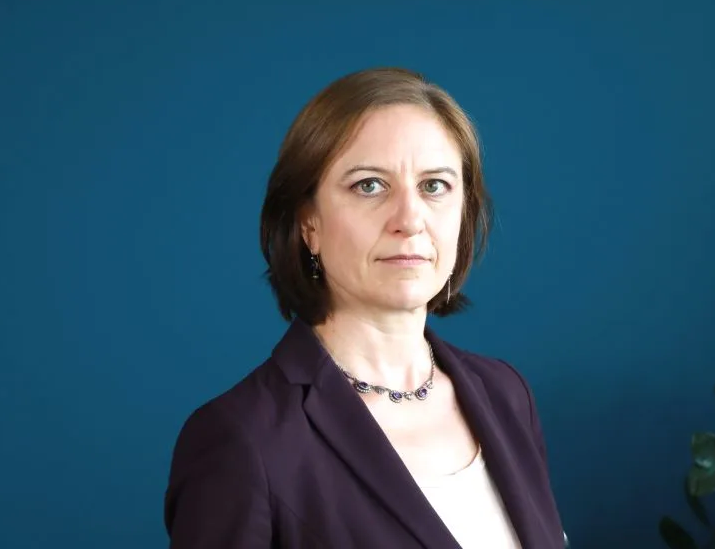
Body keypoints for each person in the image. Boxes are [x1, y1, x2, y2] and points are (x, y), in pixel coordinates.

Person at [163, 67, 567, 548]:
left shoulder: (506, 395)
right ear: (308, 222)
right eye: (370, 186)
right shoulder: (242, 439)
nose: (410, 220)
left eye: (434, 186)